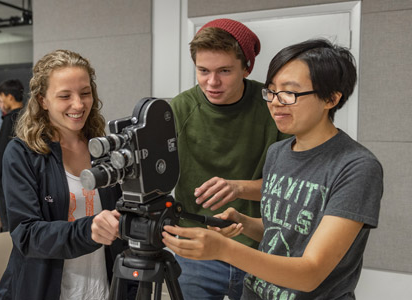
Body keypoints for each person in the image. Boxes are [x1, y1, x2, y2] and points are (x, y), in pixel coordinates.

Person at [163, 39, 383, 299]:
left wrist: (223, 249)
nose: (276, 103)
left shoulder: (356, 167)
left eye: (289, 93)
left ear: (330, 98)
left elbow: (310, 273)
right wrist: (244, 223)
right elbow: (283, 231)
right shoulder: (278, 152)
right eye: (271, 91)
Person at [0, 49, 129, 300]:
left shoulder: (104, 148)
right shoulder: (23, 153)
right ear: (43, 100)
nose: (78, 104)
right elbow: (27, 234)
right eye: (65, 96)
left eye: (85, 93)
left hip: (103, 287)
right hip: (46, 289)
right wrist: (89, 229)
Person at [169, 18, 290, 299]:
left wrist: (238, 187)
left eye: (224, 71)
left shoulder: (274, 107)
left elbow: (291, 187)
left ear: (247, 67)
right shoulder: (178, 109)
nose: (212, 82)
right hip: (197, 246)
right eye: (203, 71)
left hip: (261, 247)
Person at [0, 79, 24, 231]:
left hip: (7, 181)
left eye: (2, 97)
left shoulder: (9, 119)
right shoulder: (27, 116)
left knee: (8, 225)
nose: (1, 102)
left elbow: (1, 153)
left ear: (10, 97)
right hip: (23, 178)